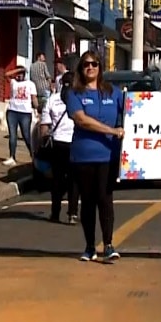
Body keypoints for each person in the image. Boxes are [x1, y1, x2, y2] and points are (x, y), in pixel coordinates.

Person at [64, 51, 125, 262]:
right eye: (86, 65)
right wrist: (111, 130)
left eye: (94, 64)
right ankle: (90, 246)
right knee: (88, 201)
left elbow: (132, 113)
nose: (90, 68)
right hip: (83, 156)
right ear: (81, 69)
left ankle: (108, 244)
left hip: (108, 156)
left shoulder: (113, 93)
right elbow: (82, 120)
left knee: (105, 199)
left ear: (100, 68)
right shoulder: (74, 93)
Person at [41, 72, 78, 224]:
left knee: (57, 180)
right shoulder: (80, 98)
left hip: (58, 144)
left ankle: (55, 213)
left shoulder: (52, 99)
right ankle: (72, 214)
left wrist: (43, 143)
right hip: (76, 144)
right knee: (74, 181)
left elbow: (44, 127)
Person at [3, 66, 38, 167]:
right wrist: (18, 70)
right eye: (17, 74)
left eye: (20, 74)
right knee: (12, 135)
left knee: (26, 135)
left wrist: (37, 109)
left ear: (24, 75)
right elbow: (6, 75)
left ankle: (33, 155)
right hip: (12, 111)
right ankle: (12, 157)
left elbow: (34, 98)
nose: (18, 76)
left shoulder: (30, 84)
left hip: (25, 113)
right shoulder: (13, 82)